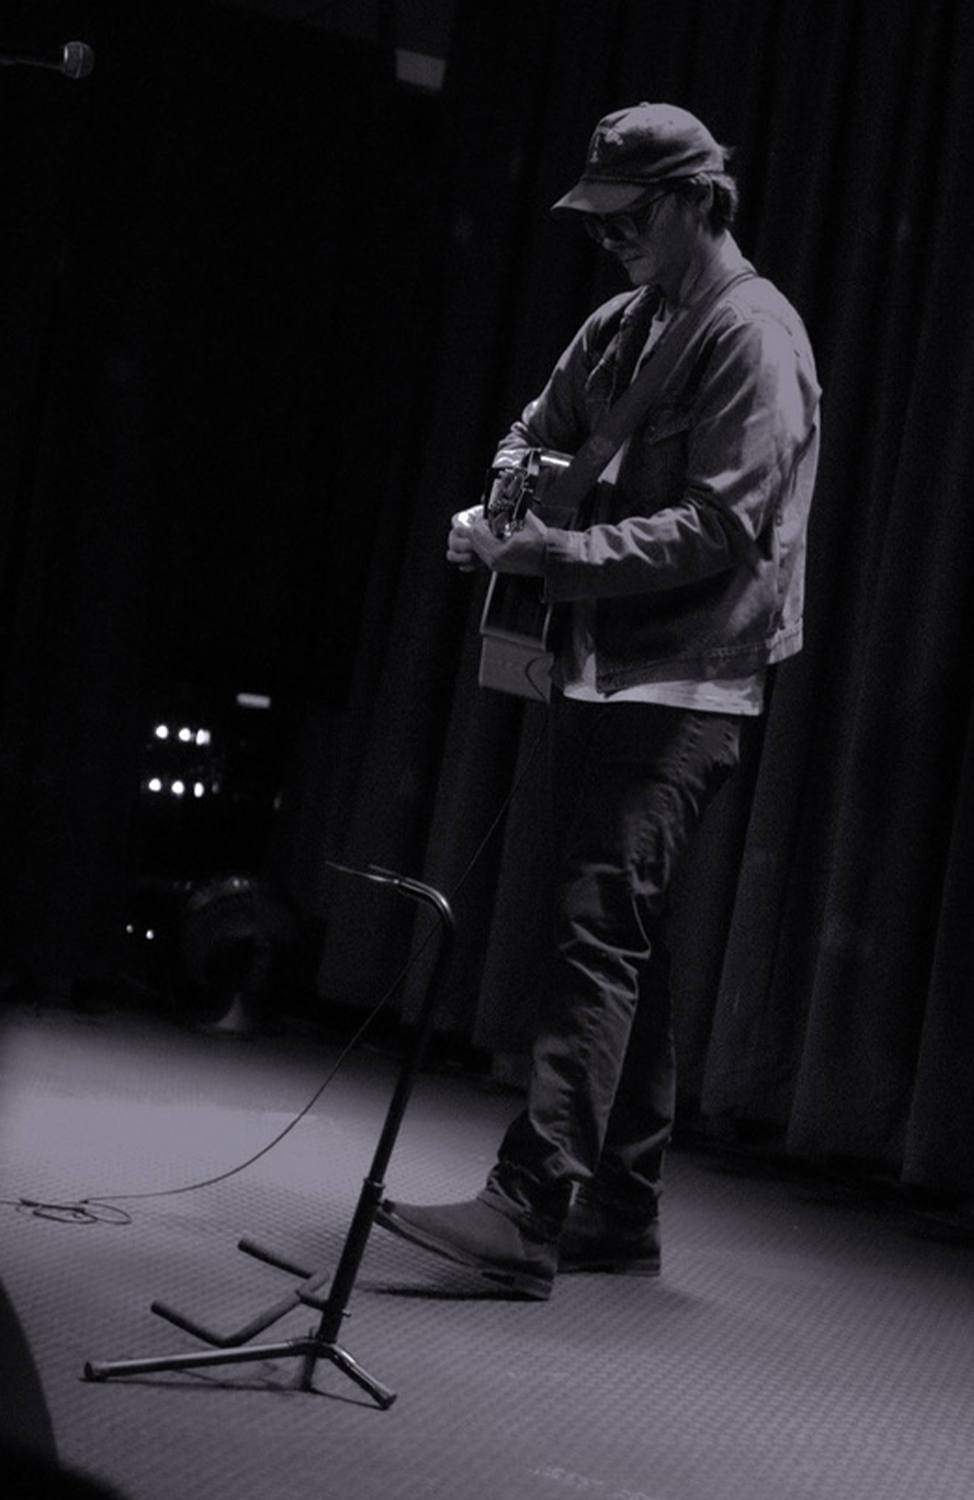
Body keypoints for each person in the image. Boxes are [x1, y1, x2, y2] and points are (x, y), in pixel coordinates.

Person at [375, 103, 820, 1299]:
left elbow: (720, 527)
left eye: (626, 218)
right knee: (629, 939)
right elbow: (535, 430)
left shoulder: (755, 335)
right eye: (596, 221)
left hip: (688, 680)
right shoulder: (623, 323)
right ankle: (620, 1210)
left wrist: (548, 557)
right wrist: (503, 504)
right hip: (604, 665)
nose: (607, 239)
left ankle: (529, 1211)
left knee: (595, 927)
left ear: (694, 201)